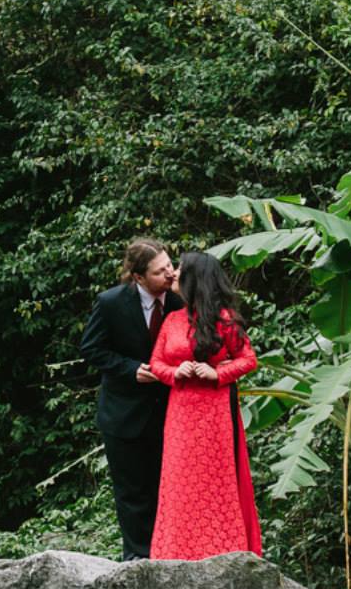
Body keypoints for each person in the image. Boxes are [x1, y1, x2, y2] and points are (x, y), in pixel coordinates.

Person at [148, 250, 265, 561]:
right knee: (178, 481)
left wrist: (217, 373)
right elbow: (156, 363)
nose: (173, 274)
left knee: (215, 480)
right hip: (180, 411)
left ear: (193, 278)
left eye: (180, 269)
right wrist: (175, 372)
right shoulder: (172, 320)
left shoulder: (224, 319)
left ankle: (222, 549)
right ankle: (175, 551)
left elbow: (248, 359)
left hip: (214, 411)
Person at [76, 239, 180, 560]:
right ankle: (138, 558)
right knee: (132, 493)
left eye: (169, 265)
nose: (170, 273)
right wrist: (130, 369)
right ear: (138, 277)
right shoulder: (110, 303)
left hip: (172, 411)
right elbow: (91, 349)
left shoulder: (180, 299)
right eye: (160, 271)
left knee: (168, 488)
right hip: (124, 413)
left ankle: (170, 552)